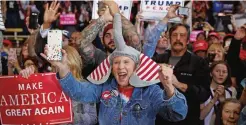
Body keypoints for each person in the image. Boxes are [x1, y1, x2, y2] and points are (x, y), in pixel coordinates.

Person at [39, 11, 187, 125]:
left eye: (126, 62)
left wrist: (169, 88)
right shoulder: (105, 88)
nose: (120, 66)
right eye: (116, 62)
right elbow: (79, 93)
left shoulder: (151, 92)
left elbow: (177, 114)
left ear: (136, 67)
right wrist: (63, 69)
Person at [144, 5, 211, 125]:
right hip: (161, 120)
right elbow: (146, 52)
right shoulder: (158, 59)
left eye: (182, 35)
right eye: (174, 35)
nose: (178, 39)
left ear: (188, 40)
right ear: (169, 39)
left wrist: (177, 84)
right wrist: (165, 19)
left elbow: (204, 94)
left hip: (189, 120)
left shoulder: (199, 62)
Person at [20, 46, 98, 125]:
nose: (60, 70)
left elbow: (92, 118)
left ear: (74, 64)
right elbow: (29, 110)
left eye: (64, 66)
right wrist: (27, 79)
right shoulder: (47, 84)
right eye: (56, 65)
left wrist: (69, 116)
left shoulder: (86, 87)